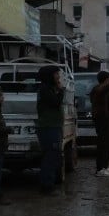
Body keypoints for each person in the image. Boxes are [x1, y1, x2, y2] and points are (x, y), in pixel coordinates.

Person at [36, 65, 65, 194]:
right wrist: (61, 91)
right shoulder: (45, 90)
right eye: (56, 74)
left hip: (53, 127)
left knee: (53, 156)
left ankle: (48, 184)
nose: (58, 77)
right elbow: (55, 103)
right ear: (49, 76)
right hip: (48, 128)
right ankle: (47, 186)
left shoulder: (49, 89)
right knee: (50, 157)